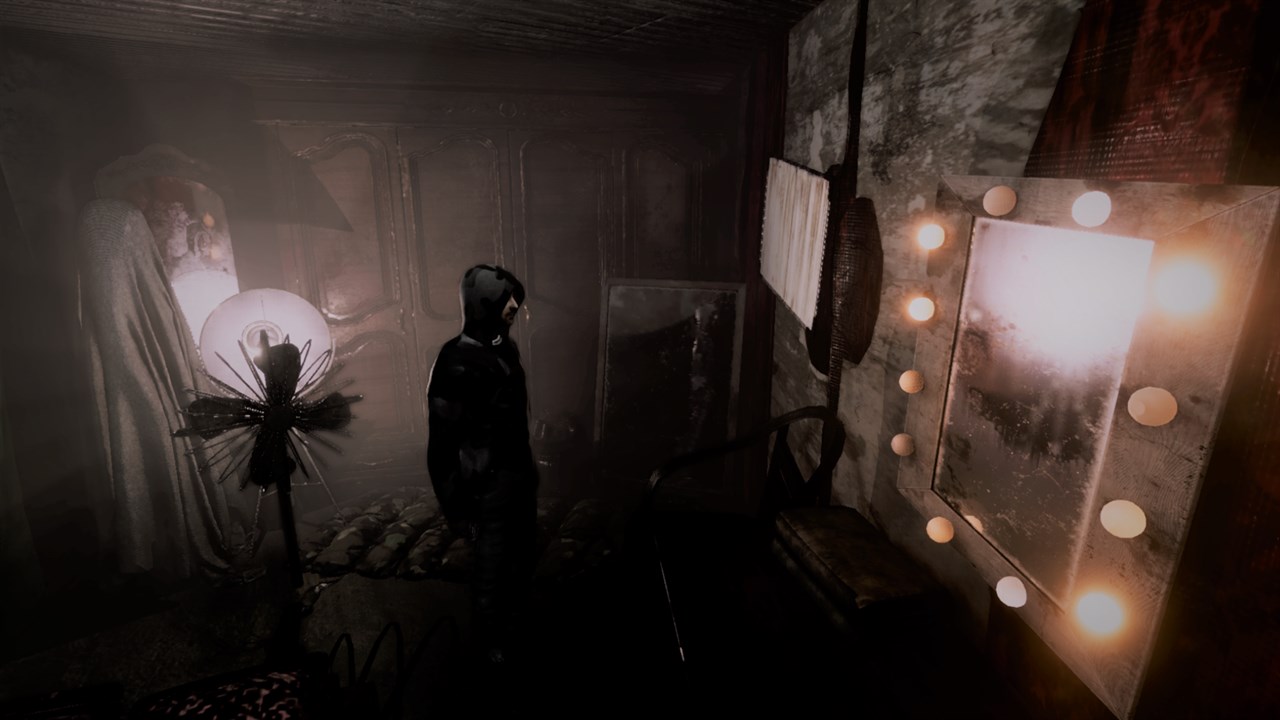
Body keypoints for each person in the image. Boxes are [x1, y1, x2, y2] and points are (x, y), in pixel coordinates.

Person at [426, 264, 539, 672]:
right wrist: (456, 507)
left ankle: (516, 636)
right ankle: (493, 650)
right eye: (508, 309)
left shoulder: (504, 349)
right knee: (490, 573)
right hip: (485, 490)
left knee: (521, 563)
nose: (513, 316)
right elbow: (441, 445)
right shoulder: (454, 361)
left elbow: (513, 422)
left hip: (516, 479)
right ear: (483, 305)